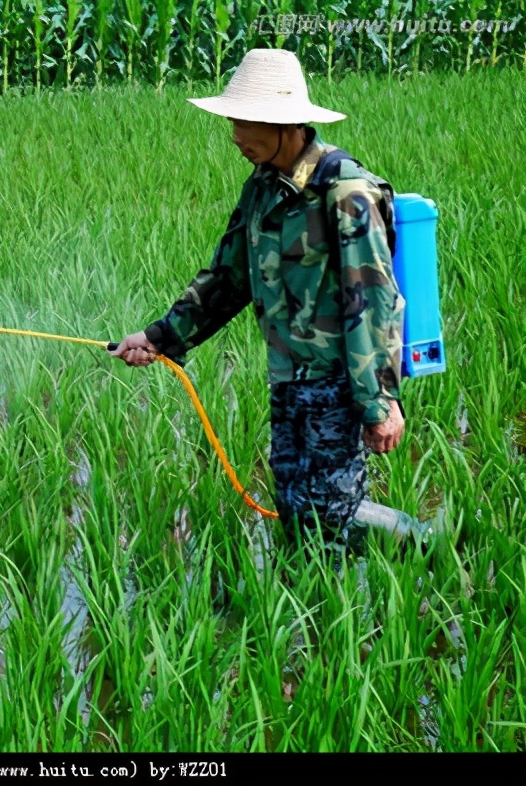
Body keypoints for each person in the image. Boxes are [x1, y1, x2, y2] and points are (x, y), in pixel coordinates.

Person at [110, 48, 406, 564]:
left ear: (286, 123)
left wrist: (379, 404)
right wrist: (159, 338)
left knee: (331, 516)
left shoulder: (345, 191)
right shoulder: (263, 188)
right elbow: (228, 278)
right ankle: (317, 605)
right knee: (295, 508)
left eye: (244, 122)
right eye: (233, 121)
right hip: (287, 380)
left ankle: (397, 571)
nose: (235, 136)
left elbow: (373, 302)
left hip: (337, 384)